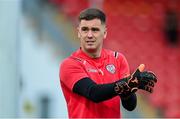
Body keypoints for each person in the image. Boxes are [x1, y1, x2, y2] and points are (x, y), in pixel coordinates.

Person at [59, 8, 157, 118]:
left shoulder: (118, 59)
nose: (89, 35)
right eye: (85, 29)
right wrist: (125, 83)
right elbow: (93, 93)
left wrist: (129, 89)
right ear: (78, 33)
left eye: (95, 30)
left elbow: (130, 106)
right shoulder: (70, 64)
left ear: (104, 33)